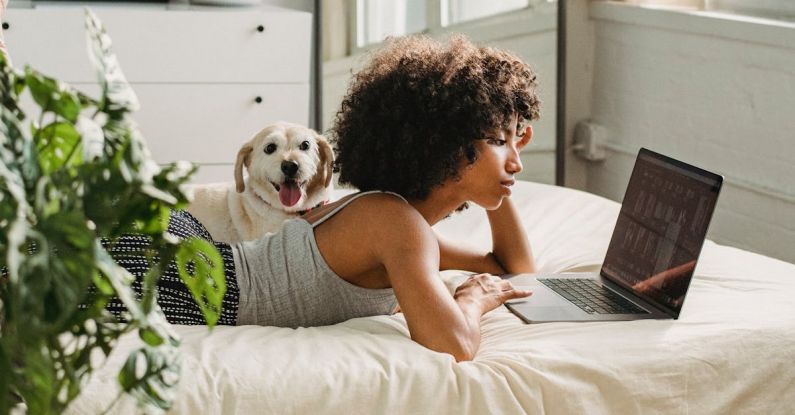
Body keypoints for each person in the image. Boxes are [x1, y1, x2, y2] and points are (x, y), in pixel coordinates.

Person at [15, 31, 543, 362]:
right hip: (181, 277)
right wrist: (472, 298)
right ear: (444, 148)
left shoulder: (403, 230)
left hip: (196, 259)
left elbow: (512, 266)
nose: (515, 160)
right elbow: (455, 344)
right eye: (498, 142)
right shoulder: (394, 224)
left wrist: (505, 174)